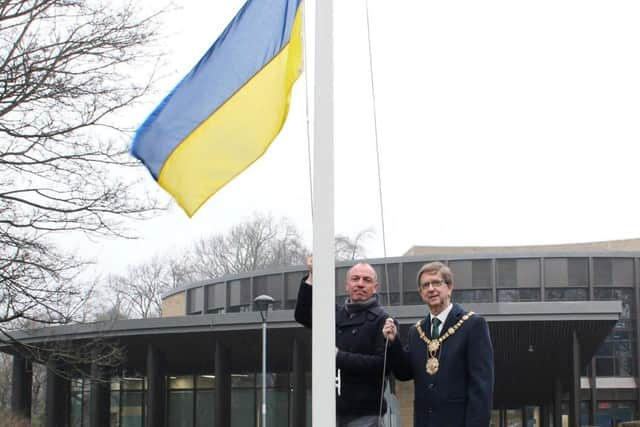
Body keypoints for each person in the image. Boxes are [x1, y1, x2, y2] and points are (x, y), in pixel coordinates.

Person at [382, 261, 494, 427]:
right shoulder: (416, 331)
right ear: (421, 293)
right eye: (425, 285)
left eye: (436, 283)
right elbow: (404, 373)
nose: (431, 288)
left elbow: (481, 386)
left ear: (449, 287)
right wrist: (393, 342)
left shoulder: (473, 325)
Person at [295, 256, 391, 427]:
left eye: (366, 280)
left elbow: (382, 365)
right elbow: (302, 314)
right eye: (355, 279)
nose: (360, 284)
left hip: (365, 416)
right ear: (347, 285)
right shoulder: (335, 315)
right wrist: (312, 275)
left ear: (375, 288)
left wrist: (338, 356)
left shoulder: (384, 321)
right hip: (330, 411)